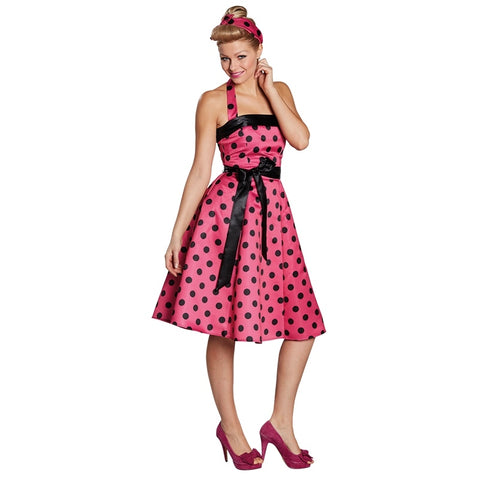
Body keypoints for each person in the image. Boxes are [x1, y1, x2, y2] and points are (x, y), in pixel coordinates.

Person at [152, 6, 326, 470]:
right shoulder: (212, 101)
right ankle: (231, 427)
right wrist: (177, 232)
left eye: (241, 57)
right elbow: (199, 170)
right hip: (224, 217)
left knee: (303, 321)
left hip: (274, 217)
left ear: (259, 50)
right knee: (221, 322)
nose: (233, 67)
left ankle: (280, 423)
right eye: (225, 59)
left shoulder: (279, 90)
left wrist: (269, 89)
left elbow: (301, 140)